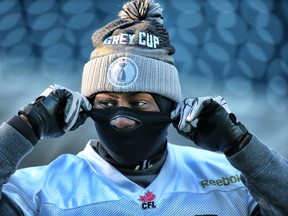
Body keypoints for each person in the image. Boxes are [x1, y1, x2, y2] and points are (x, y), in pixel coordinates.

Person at [0, 0, 287, 215]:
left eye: (139, 103)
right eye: (106, 104)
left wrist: (241, 146)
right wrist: (26, 125)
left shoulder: (227, 181)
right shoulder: (42, 190)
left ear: (171, 108)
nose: (122, 119)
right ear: (85, 108)